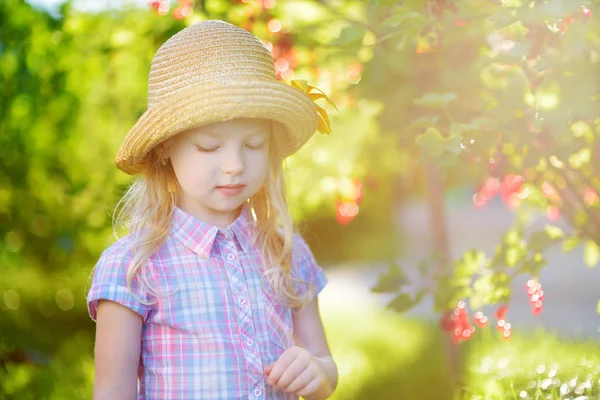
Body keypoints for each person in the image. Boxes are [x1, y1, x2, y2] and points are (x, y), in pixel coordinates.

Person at [86, 19, 338, 400]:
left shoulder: (285, 252)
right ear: (164, 147)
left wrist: (317, 372)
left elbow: (325, 367)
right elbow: (112, 391)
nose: (234, 165)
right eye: (209, 147)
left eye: (254, 145)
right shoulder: (134, 266)